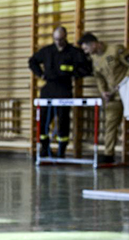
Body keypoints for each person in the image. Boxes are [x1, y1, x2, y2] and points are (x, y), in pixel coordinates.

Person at [78, 32, 129, 167]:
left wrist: (126, 80)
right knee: (110, 123)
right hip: (113, 94)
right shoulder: (95, 59)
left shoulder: (115, 50)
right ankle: (108, 154)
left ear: (93, 44)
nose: (86, 52)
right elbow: (99, 77)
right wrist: (103, 92)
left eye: (86, 48)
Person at [28, 26, 92, 158]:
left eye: (60, 39)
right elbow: (32, 61)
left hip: (64, 89)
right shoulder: (47, 51)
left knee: (63, 121)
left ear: (65, 37)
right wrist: (40, 74)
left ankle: (61, 151)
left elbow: (87, 68)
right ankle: (44, 149)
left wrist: (72, 73)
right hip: (48, 89)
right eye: (55, 39)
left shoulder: (74, 52)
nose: (58, 42)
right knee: (44, 120)